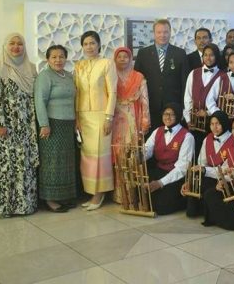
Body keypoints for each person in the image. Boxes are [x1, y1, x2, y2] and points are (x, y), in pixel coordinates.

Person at [0, 33, 38, 217]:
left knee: (25, 165)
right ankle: (6, 207)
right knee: (7, 166)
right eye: (12, 43)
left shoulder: (31, 68)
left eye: (20, 44)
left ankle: (25, 205)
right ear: (5, 46)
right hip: (6, 127)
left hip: (26, 125)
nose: (16, 47)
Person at [74, 30, 117, 211]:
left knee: (100, 156)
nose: (89, 47)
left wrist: (109, 117)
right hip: (84, 116)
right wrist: (77, 117)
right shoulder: (79, 66)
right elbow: (77, 93)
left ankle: (100, 193)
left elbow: (112, 92)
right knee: (87, 157)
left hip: (101, 115)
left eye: (92, 43)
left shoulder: (107, 63)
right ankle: (91, 191)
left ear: (99, 44)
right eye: (85, 44)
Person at [34, 45, 77, 213]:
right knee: (51, 161)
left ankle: (64, 196)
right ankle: (50, 199)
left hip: (68, 125)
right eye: (54, 57)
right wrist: (44, 124)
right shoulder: (45, 76)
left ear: (66, 58)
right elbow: (39, 101)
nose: (58, 60)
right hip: (52, 125)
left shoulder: (69, 76)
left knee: (65, 162)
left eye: (61, 56)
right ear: (48, 59)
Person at [134, 19, 189, 132]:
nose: (162, 35)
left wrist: (184, 107)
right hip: (150, 107)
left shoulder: (180, 53)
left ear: (170, 33)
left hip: (173, 108)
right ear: (154, 33)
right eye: (159, 32)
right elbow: (137, 81)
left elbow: (185, 82)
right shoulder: (143, 53)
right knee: (151, 139)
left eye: (165, 32)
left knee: (172, 139)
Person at [111, 46, 151, 202]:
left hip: (132, 119)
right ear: (115, 59)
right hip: (114, 120)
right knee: (117, 153)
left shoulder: (138, 77)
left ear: (130, 59)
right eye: (119, 56)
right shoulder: (110, 75)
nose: (122, 59)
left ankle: (132, 194)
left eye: (125, 56)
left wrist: (145, 121)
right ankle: (119, 194)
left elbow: (145, 101)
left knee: (131, 154)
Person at [144, 103, 194, 215]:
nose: (167, 117)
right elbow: (147, 150)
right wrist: (138, 154)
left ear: (178, 116)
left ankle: (183, 200)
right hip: (159, 171)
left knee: (161, 207)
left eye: (172, 114)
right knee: (142, 196)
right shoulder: (157, 131)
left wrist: (160, 183)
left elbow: (182, 168)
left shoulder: (187, 136)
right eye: (165, 114)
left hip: (176, 175)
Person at [185, 111, 234, 217]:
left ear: (224, 123)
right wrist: (202, 169)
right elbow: (202, 162)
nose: (214, 127)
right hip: (209, 173)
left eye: (218, 124)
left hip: (223, 178)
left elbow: (226, 170)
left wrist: (206, 170)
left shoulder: (233, 141)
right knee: (195, 177)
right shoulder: (208, 138)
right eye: (212, 124)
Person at [183, 43, 224, 155]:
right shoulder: (193, 73)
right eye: (205, 55)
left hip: (213, 123)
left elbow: (222, 102)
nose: (208, 58)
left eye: (211, 55)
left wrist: (208, 113)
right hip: (194, 122)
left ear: (216, 57)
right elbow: (187, 97)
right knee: (193, 152)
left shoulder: (223, 76)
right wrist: (189, 119)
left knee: (209, 153)